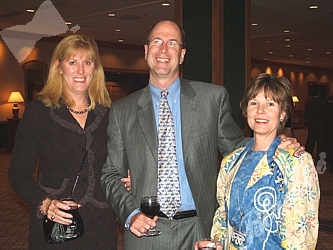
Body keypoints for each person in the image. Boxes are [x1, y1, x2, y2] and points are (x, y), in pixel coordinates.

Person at [101, 20, 300, 250]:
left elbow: (237, 149)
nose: (164, 49)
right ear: (146, 51)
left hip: (199, 229)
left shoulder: (211, 99)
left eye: (172, 43)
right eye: (157, 41)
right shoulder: (121, 110)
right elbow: (111, 174)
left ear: (182, 54)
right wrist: (131, 214)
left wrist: (275, 142)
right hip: (145, 231)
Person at [8, 34, 129, 249]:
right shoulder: (39, 112)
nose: (81, 71)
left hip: (101, 223)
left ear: (95, 68)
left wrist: (127, 176)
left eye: (87, 63)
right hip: (57, 222)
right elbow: (18, 174)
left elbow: (117, 163)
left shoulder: (110, 114)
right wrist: (45, 203)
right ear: (59, 66)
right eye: (73, 62)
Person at [204, 74, 320, 249]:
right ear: (246, 110)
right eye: (253, 103)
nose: (260, 110)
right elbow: (223, 215)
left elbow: (301, 232)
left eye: (270, 104)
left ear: (283, 113)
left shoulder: (296, 163)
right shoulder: (231, 162)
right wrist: (218, 243)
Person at [305, 86, 327, 163]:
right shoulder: (323, 103)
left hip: (312, 125)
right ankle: (320, 160)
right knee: (321, 144)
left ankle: (307, 157)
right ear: (319, 93)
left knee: (310, 142)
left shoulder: (308, 103)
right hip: (321, 125)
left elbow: (306, 115)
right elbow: (325, 115)